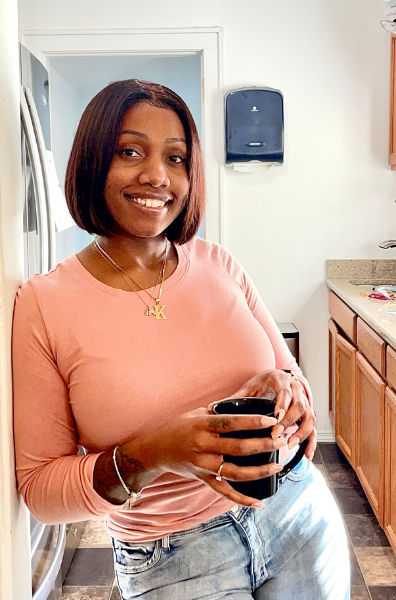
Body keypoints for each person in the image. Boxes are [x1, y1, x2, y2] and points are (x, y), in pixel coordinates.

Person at [13, 79, 350, 600]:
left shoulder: (219, 264)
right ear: (91, 162)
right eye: (130, 151)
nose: (157, 176)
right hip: (174, 558)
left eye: (177, 158)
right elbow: (40, 491)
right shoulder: (44, 303)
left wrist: (290, 391)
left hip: (296, 511)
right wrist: (147, 456)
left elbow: (294, 379)